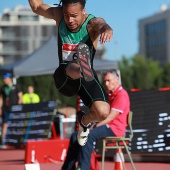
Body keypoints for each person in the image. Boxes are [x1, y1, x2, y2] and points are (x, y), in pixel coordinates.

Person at [28, 0, 113, 145]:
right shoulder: (58, 15)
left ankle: (84, 121)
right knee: (73, 66)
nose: (69, 20)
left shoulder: (91, 22)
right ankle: (80, 65)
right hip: (64, 77)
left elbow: (101, 23)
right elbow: (36, 7)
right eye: (67, 15)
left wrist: (106, 29)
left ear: (83, 11)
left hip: (87, 78)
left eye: (74, 16)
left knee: (103, 112)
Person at [61, 70, 130, 170]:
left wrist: (96, 125)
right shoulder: (109, 94)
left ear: (117, 79)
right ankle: (68, 168)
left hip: (115, 128)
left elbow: (111, 117)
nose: (106, 84)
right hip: (105, 125)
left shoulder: (121, 95)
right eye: (105, 81)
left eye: (108, 81)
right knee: (75, 135)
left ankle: (83, 168)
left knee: (88, 136)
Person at [0, 73, 23, 145]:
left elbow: (20, 97)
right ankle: (3, 141)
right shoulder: (3, 88)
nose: (4, 80)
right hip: (6, 108)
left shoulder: (16, 87)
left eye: (5, 79)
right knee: (5, 124)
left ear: (9, 79)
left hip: (15, 108)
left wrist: (19, 106)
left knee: (16, 124)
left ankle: (17, 140)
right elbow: (1, 98)